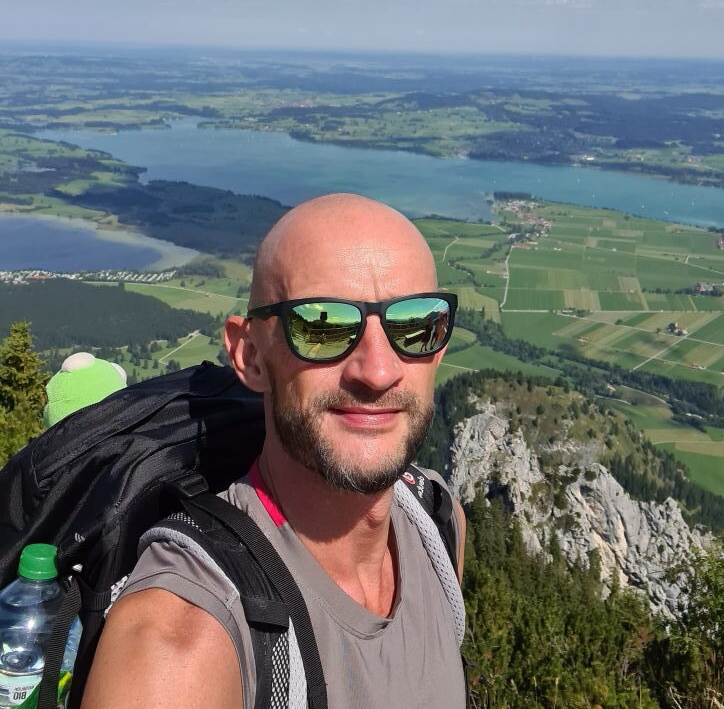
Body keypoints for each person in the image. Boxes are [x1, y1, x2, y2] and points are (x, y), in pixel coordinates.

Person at [82, 193, 466, 709]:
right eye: (323, 327)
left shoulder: (438, 524)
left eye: (414, 326)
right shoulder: (179, 642)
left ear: (438, 348)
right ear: (250, 356)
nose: (378, 371)